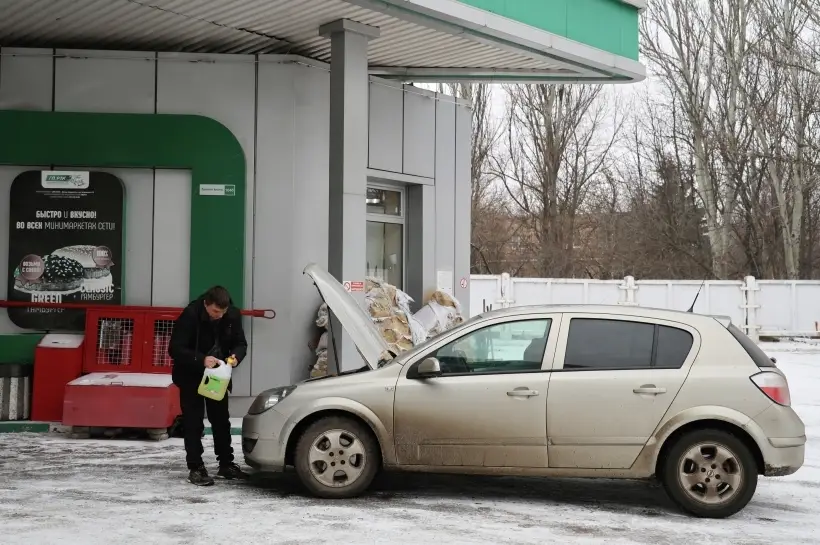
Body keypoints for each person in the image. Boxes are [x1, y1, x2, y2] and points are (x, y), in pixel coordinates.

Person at [168, 285, 249, 486]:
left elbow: (241, 343)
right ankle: (195, 467)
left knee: (221, 420)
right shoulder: (190, 314)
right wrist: (201, 359)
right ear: (206, 304)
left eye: (222, 312)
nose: (219, 316)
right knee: (193, 422)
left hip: (218, 375)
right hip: (191, 375)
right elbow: (175, 349)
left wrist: (235, 357)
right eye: (214, 312)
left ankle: (226, 463)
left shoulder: (232, 314)